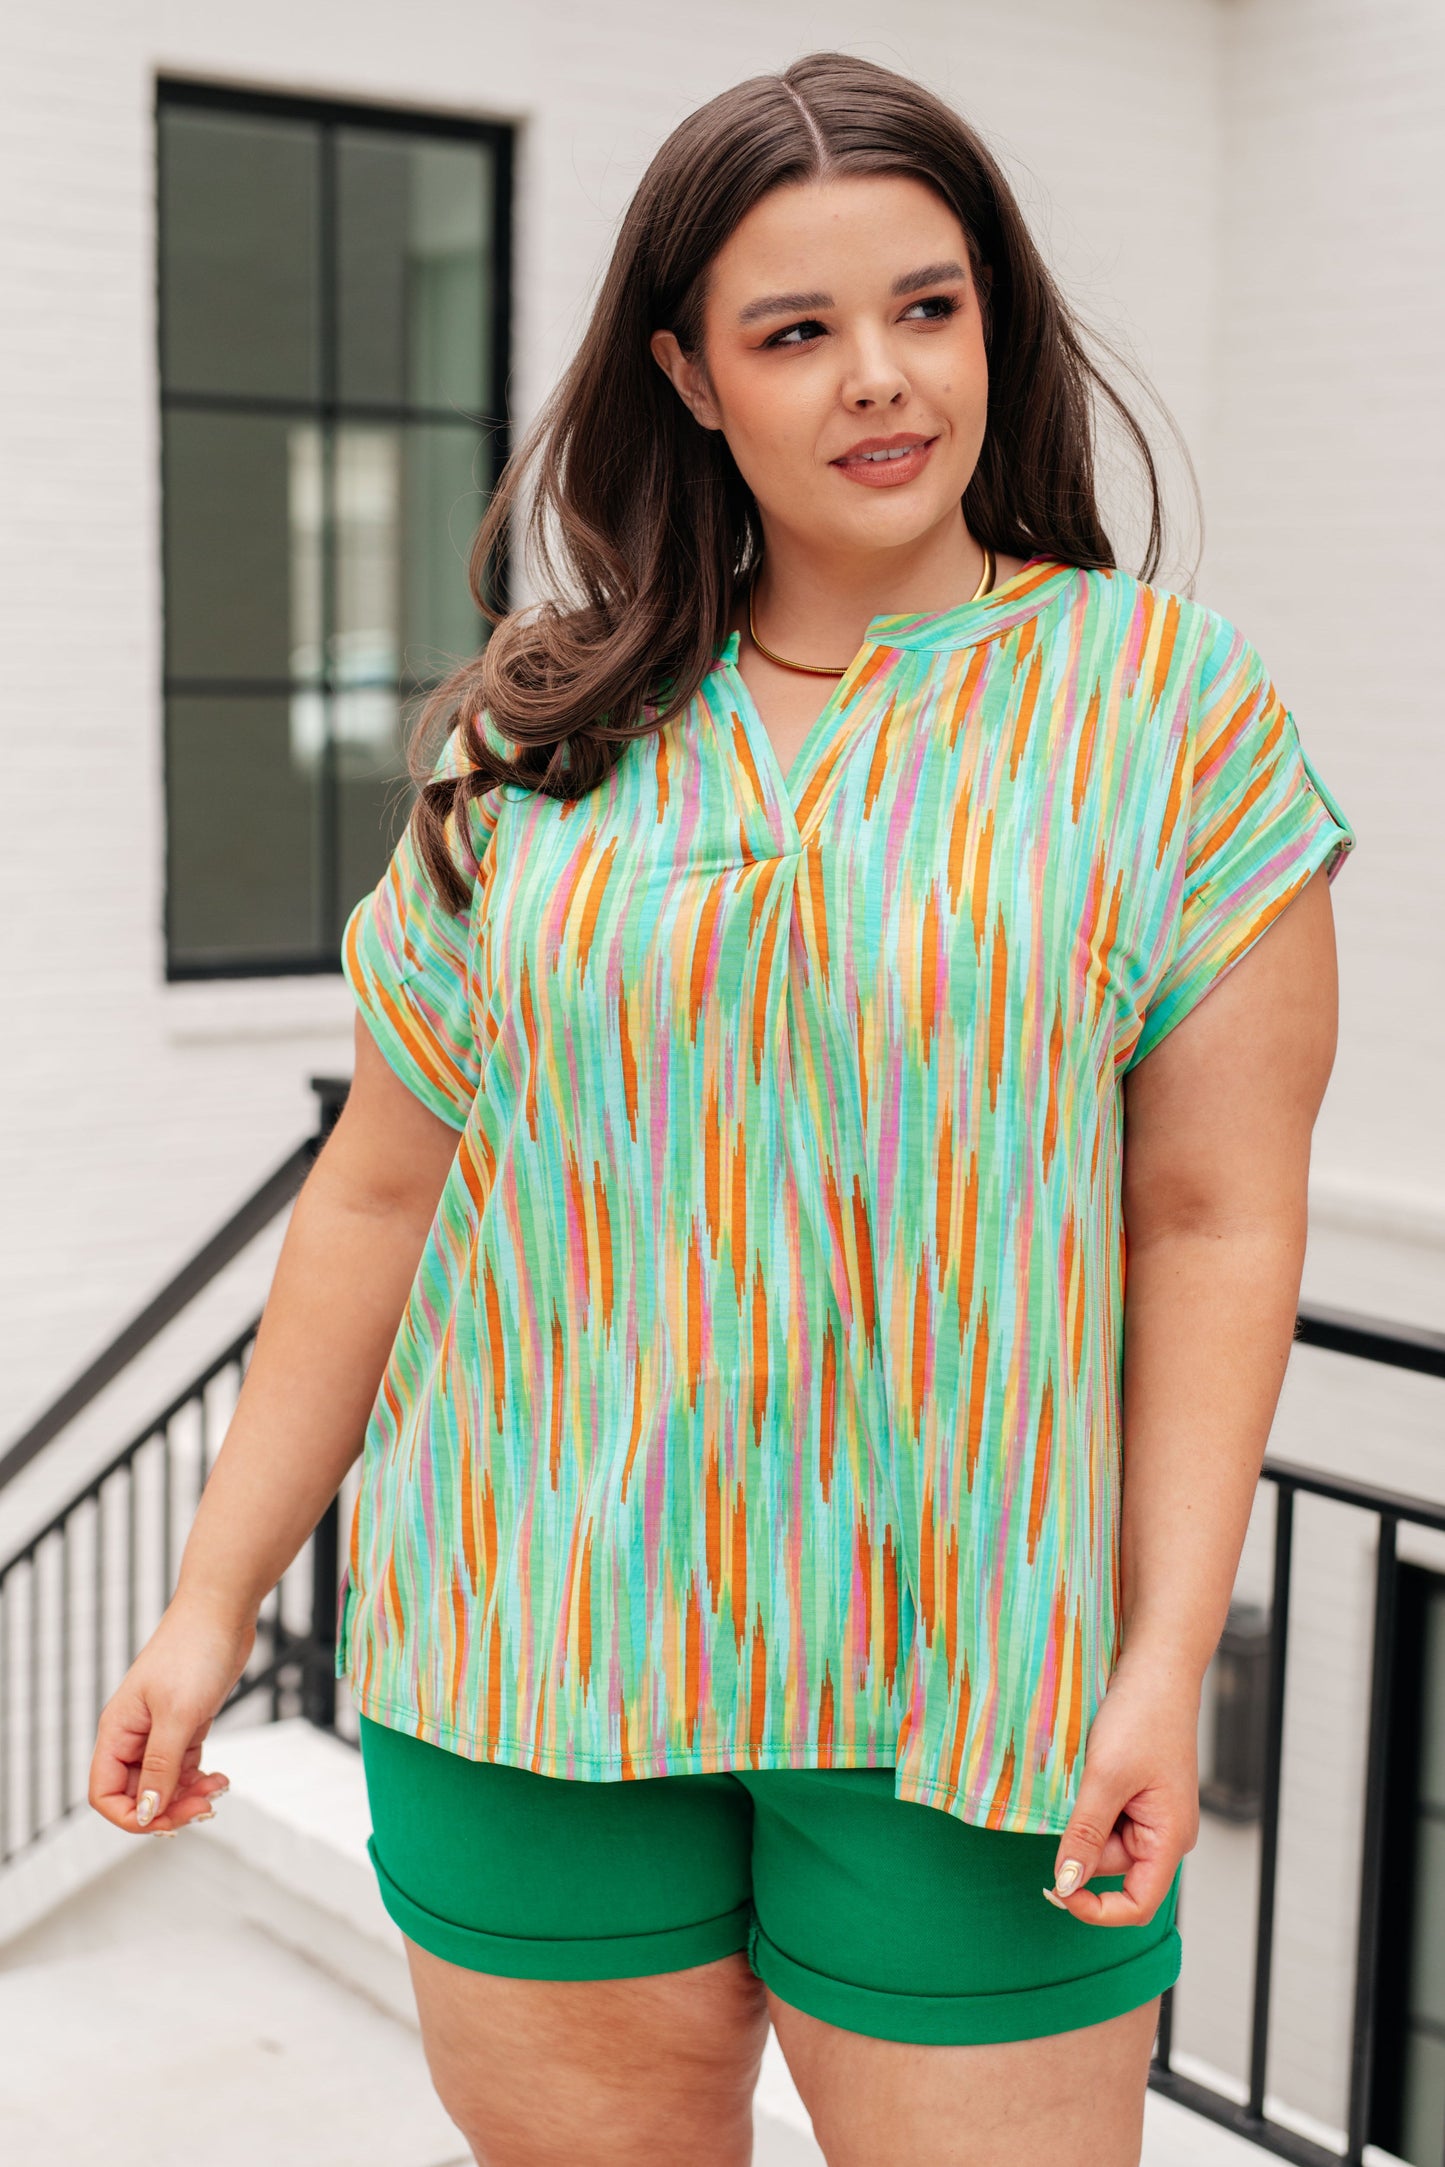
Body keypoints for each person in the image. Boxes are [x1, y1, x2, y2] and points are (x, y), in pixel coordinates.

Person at [88, 51, 1355, 2167]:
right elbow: (381, 1195)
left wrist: (1160, 1653)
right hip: (527, 1650)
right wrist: (212, 1601)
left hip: (978, 1682)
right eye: (794, 331)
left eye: (929, 307)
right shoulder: (539, 733)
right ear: (686, 372)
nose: (881, 379)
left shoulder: (1167, 710)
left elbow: (1210, 1219)